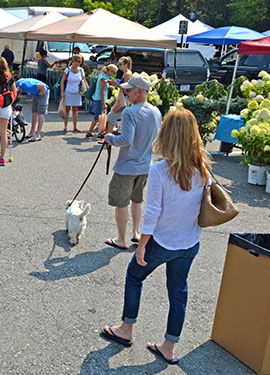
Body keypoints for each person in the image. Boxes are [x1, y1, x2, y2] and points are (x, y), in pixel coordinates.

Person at [100, 109, 211, 365]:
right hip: (190, 241)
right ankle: (169, 346)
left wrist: (142, 246)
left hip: (161, 240)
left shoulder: (160, 170)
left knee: (134, 276)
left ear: (166, 135)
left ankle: (126, 329)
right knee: (178, 291)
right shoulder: (203, 167)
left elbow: (153, 213)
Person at [102, 74, 162, 251]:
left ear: (138, 92)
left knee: (122, 203)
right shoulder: (156, 111)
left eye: (129, 90)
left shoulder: (130, 112)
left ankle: (121, 239)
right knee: (137, 200)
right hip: (145, 164)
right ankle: (136, 233)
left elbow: (126, 139)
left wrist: (109, 137)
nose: (126, 92)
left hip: (127, 165)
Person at [86, 64, 118, 138]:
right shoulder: (103, 79)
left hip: (99, 98)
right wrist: (104, 103)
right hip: (100, 99)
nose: (114, 74)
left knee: (101, 116)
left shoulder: (104, 76)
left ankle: (99, 132)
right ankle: (90, 131)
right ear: (109, 71)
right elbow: (102, 92)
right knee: (98, 117)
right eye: (113, 72)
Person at [106, 56, 134, 133]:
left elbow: (126, 90)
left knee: (111, 117)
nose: (119, 66)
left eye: (120, 64)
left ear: (125, 64)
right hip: (123, 99)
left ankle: (108, 138)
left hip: (124, 99)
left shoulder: (127, 74)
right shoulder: (126, 73)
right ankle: (116, 133)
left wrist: (115, 83)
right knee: (120, 117)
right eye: (118, 64)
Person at [16, 78, 49, 142]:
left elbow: (42, 86)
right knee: (34, 112)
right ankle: (32, 132)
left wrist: (40, 94)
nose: (19, 95)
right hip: (35, 94)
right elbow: (22, 79)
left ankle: (37, 135)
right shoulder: (17, 83)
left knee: (40, 113)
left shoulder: (28, 86)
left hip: (43, 92)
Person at [60, 54, 87, 132]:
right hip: (68, 91)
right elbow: (62, 81)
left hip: (77, 92)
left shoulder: (81, 70)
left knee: (75, 109)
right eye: (77, 61)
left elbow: (84, 80)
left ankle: (75, 126)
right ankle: (65, 126)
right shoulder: (68, 69)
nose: (78, 63)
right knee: (67, 109)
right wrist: (62, 92)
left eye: (80, 61)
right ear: (73, 61)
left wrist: (87, 90)